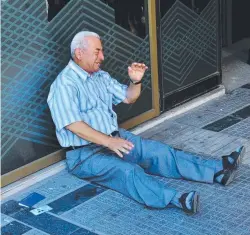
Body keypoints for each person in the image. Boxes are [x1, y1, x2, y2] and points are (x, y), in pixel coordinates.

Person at [47, 31, 245, 215]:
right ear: (79, 53)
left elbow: (128, 97)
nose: (102, 57)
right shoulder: (64, 84)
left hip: (115, 139)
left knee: (160, 153)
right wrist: (108, 142)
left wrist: (135, 81)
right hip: (85, 155)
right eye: (97, 52)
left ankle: (218, 170)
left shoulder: (100, 76)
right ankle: (178, 199)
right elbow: (72, 124)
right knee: (128, 172)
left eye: (102, 51)